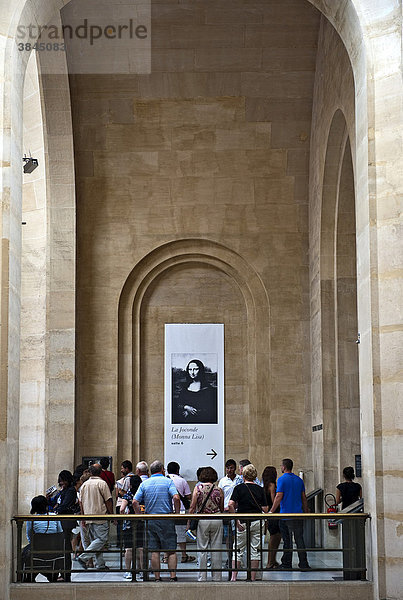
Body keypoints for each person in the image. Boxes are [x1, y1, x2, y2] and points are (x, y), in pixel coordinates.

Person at [133, 460, 180, 582]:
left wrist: (140, 516)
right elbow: (176, 497)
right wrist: (177, 513)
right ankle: (172, 577)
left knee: (154, 551)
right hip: (166, 519)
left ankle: (157, 578)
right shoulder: (168, 482)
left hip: (151, 520)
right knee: (171, 550)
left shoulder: (145, 484)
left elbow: (134, 502)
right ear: (162, 470)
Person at [228, 463, 268, 581]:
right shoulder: (260, 489)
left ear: (243, 475)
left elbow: (230, 504)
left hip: (242, 522)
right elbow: (265, 509)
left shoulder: (239, 488)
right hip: (257, 522)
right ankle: (252, 577)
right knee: (255, 550)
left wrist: (236, 519)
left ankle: (234, 577)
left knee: (238, 549)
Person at [269, 458, 310, 570]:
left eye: (281, 466)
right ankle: (303, 563)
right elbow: (304, 498)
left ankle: (287, 563)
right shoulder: (299, 480)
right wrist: (306, 511)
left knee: (287, 540)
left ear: (284, 467)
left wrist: (271, 511)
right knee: (299, 539)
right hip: (298, 514)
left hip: (285, 515)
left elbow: (278, 496)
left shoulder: (282, 480)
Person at [189, 466, 224, 582]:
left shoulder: (198, 488)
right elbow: (221, 508)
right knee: (217, 548)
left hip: (203, 519)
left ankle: (202, 577)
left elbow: (192, 507)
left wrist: (189, 521)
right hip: (217, 519)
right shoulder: (218, 490)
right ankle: (217, 577)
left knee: (202, 549)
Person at [77, 463, 113, 570]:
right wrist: (111, 515)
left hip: (88, 517)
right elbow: (108, 501)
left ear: (91, 472)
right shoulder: (102, 484)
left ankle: (100, 564)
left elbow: (81, 503)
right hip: (100, 517)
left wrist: (83, 517)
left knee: (95, 542)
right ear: (101, 472)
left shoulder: (84, 485)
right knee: (101, 540)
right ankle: (83, 557)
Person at [23, 495, 63, 582]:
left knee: (24, 553)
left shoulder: (32, 519)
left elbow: (29, 535)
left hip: (38, 548)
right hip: (54, 548)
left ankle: (28, 577)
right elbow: (60, 532)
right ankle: (52, 575)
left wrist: (35, 544)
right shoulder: (54, 516)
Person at [48, 470, 78, 581]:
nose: (61, 483)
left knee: (65, 548)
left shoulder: (70, 491)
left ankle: (66, 574)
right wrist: (49, 499)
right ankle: (62, 572)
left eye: (63, 481)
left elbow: (64, 505)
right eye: (60, 481)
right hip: (60, 522)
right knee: (62, 548)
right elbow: (56, 502)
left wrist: (56, 510)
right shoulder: (63, 491)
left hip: (66, 522)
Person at [167, 461, 195, 563]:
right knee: (181, 534)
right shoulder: (182, 481)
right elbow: (188, 496)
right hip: (181, 510)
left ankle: (166, 556)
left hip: (167, 511)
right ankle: (183, 555)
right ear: (177, 470)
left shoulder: (165, 480)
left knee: (168, 533)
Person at [173, 359, 217, 424]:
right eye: (190, 369)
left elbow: (210, 410)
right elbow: (178, 404)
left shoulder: (209, 389)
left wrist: (190, 412)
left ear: (201, 370)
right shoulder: (185, 388)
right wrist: (186, 407)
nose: (192, 372)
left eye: (195, 369)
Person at [120, 474, 142, 580]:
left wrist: (124, 517)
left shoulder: (128, 495)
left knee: (128, 548)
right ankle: (142, 570)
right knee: (141, 548)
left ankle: (128, 571)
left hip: (129, 523)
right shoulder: (142, 493)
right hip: (142, 522)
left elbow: (121, 508)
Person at [262, 466, 281, 569]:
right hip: (274, 514)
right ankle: (270, 562)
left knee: (273, 538)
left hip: (269, 514)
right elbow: (274, 500)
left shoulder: (264, 485)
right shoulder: (272, 485)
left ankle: (272, 561)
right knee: (275, 538)